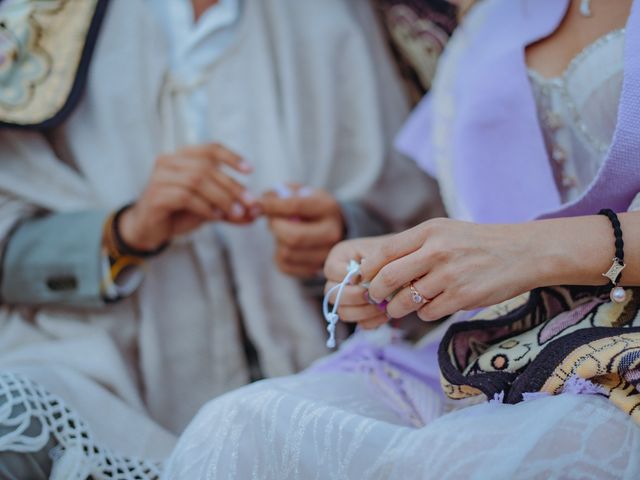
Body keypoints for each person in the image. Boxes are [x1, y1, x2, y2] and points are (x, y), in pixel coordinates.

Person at [166, 0, 640, 478]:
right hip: (502, 339)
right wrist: (389, 264)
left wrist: (522, 252)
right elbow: (471, 226)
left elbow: (504, 247)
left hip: (619, 355)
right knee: (238, 428)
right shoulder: (488, 24)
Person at [0, 0, 444, 477]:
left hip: (319, 365)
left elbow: (422, 207)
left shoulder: (333, 14)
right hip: (91, 368)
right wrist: (125, 233)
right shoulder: (36, 18)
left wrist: (338, 240)